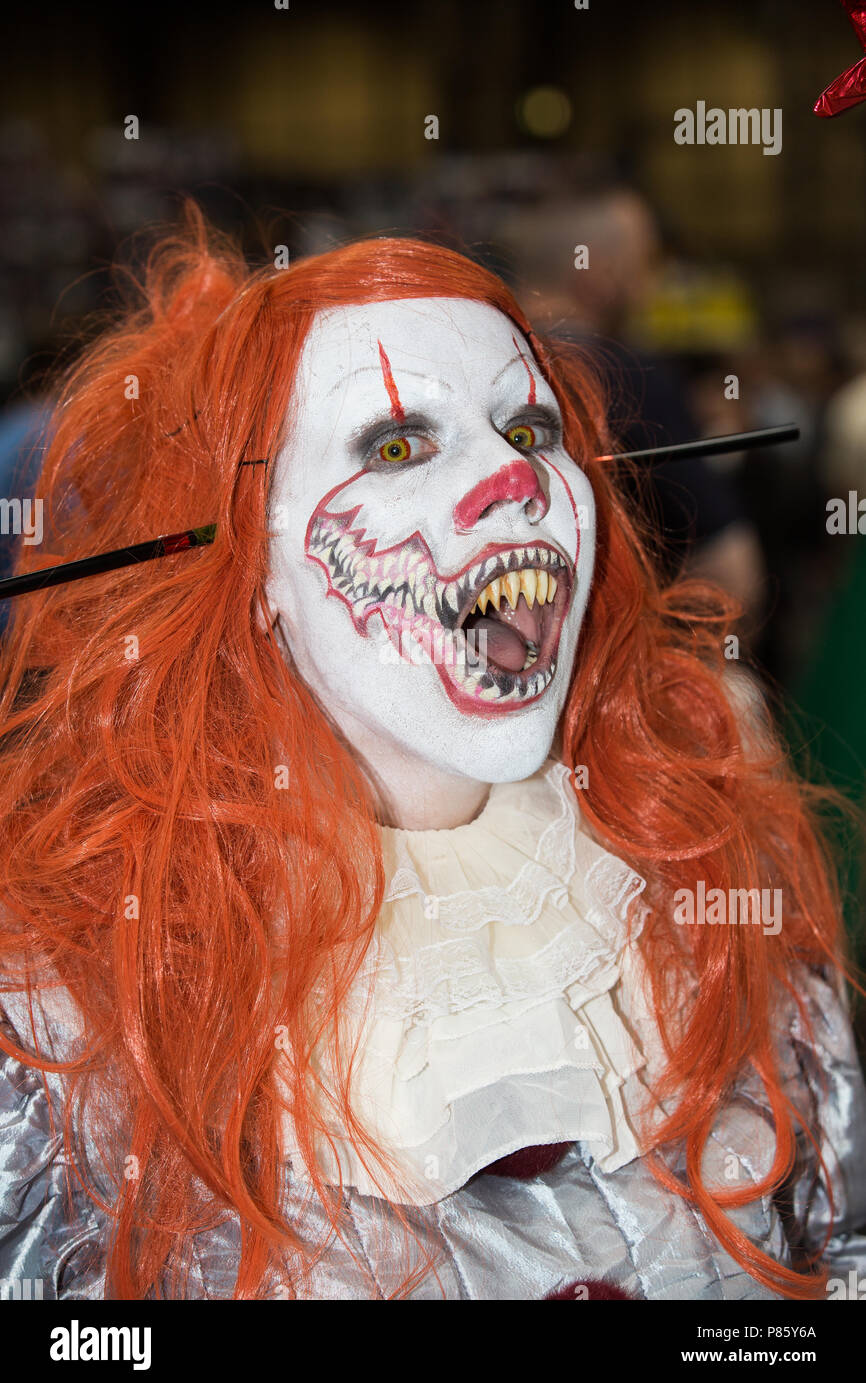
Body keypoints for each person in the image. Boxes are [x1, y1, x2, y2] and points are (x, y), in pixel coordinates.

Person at [0, 209, 863, 1301]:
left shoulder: (708, 875)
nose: (517, 479)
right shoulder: (72, 1007)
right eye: (397, 444)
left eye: (533, 432)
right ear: (249, 564)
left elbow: (836, 1252)